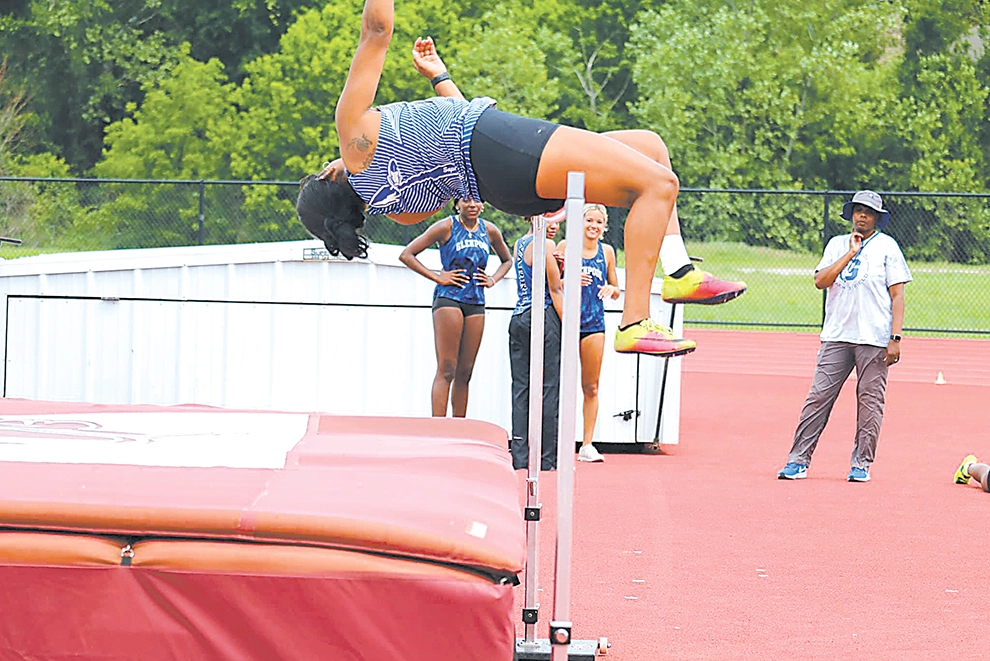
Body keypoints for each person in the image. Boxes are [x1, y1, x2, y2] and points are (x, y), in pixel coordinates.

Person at [294, 0, 742, 358]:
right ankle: (634, 320)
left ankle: (679, 268)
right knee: (657, 186)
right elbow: (376, 32)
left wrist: (440, 77)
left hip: (501, 175)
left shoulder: (399, 211)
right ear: (329, 176)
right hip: (498, 149)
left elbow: (456, 139)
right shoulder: (354, 137)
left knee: (650, 149)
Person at [777, 191, 912, 483]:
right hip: (837, 335)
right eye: (857, 210)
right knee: (819, 397)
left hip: (874, 338)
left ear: (877, 217)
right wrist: (849, 253)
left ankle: (861, 464)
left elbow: (898, 295)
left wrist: (895, 337)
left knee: (870, 402)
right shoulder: (836, 244)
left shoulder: (888, 247)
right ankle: (798, 460)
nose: (862, 215)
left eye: (868, 211)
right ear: (850, 214)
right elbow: (820, 281)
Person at [399, 198, 512, 417]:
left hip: (476, 301)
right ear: (457, 203)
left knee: (465, 371)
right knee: (447, 369)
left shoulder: (489, 230)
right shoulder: (446, 226)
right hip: (449, 299)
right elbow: (407, 254)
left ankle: (459, 426)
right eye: (466, 200)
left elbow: (507, 260)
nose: (472, 205)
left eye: (477, 201)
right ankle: (438, 428)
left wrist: (493, 279)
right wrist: (438, 277)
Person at [555, 204, 621, 463]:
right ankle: (556, 440)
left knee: (591, 386)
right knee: (559, 384)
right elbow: (552, 284)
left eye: (599, 222)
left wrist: (611, 290)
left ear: (604, 227)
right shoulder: (564, 247)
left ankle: (587, 444)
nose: (593, 226)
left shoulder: (607, 252)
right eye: (589, 220)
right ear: (580, 222)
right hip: (565, 322)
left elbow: (615, 287)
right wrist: (568, 280)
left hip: (594, 324)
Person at [509, 215, 564, 471]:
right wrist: (569, 328)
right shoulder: (547, 244)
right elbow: (555, 289)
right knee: (549, 387)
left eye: (557, 220)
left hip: (519, 316)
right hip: (541, 317)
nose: (554, 225)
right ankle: (547, 459)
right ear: (535, 218)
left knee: (521, 388)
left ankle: (520, 457)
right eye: (549, 219)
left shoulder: (520, 242)